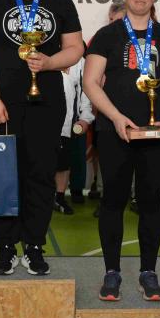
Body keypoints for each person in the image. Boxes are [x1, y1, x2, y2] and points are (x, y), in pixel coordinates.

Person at [0, 0, 83, 276]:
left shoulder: (60, 2)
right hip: (2, 103)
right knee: (4, 174)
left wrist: (50, 63)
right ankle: (6, 245)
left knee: (41, 174)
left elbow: (75, 48)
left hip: (47, 103)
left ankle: (34, 244)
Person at [83, 0, 160, 301]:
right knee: (113, 201)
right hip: (115, 132)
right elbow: (90, 82)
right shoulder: (106, 35)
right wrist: (115, 117)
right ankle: (111, 272)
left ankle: (148, 272)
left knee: (151, 201)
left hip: (156, 133)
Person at [91, 1, 127, 218]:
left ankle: (132, 197)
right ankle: (105, 197)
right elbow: (90, 80)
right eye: (113, 20)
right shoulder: (102, 38)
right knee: (106, 159)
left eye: (120, 20)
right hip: (105, 110)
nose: (116, 24)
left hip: (132, 111)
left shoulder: (141, 41)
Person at [54, 56, 94, 215]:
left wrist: (85, 118)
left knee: (63, 162)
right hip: (41, 120)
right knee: (39, 161)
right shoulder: (38, 53)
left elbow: (86, 91)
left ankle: (59, 197)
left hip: (67, 121)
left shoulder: (79, 60)